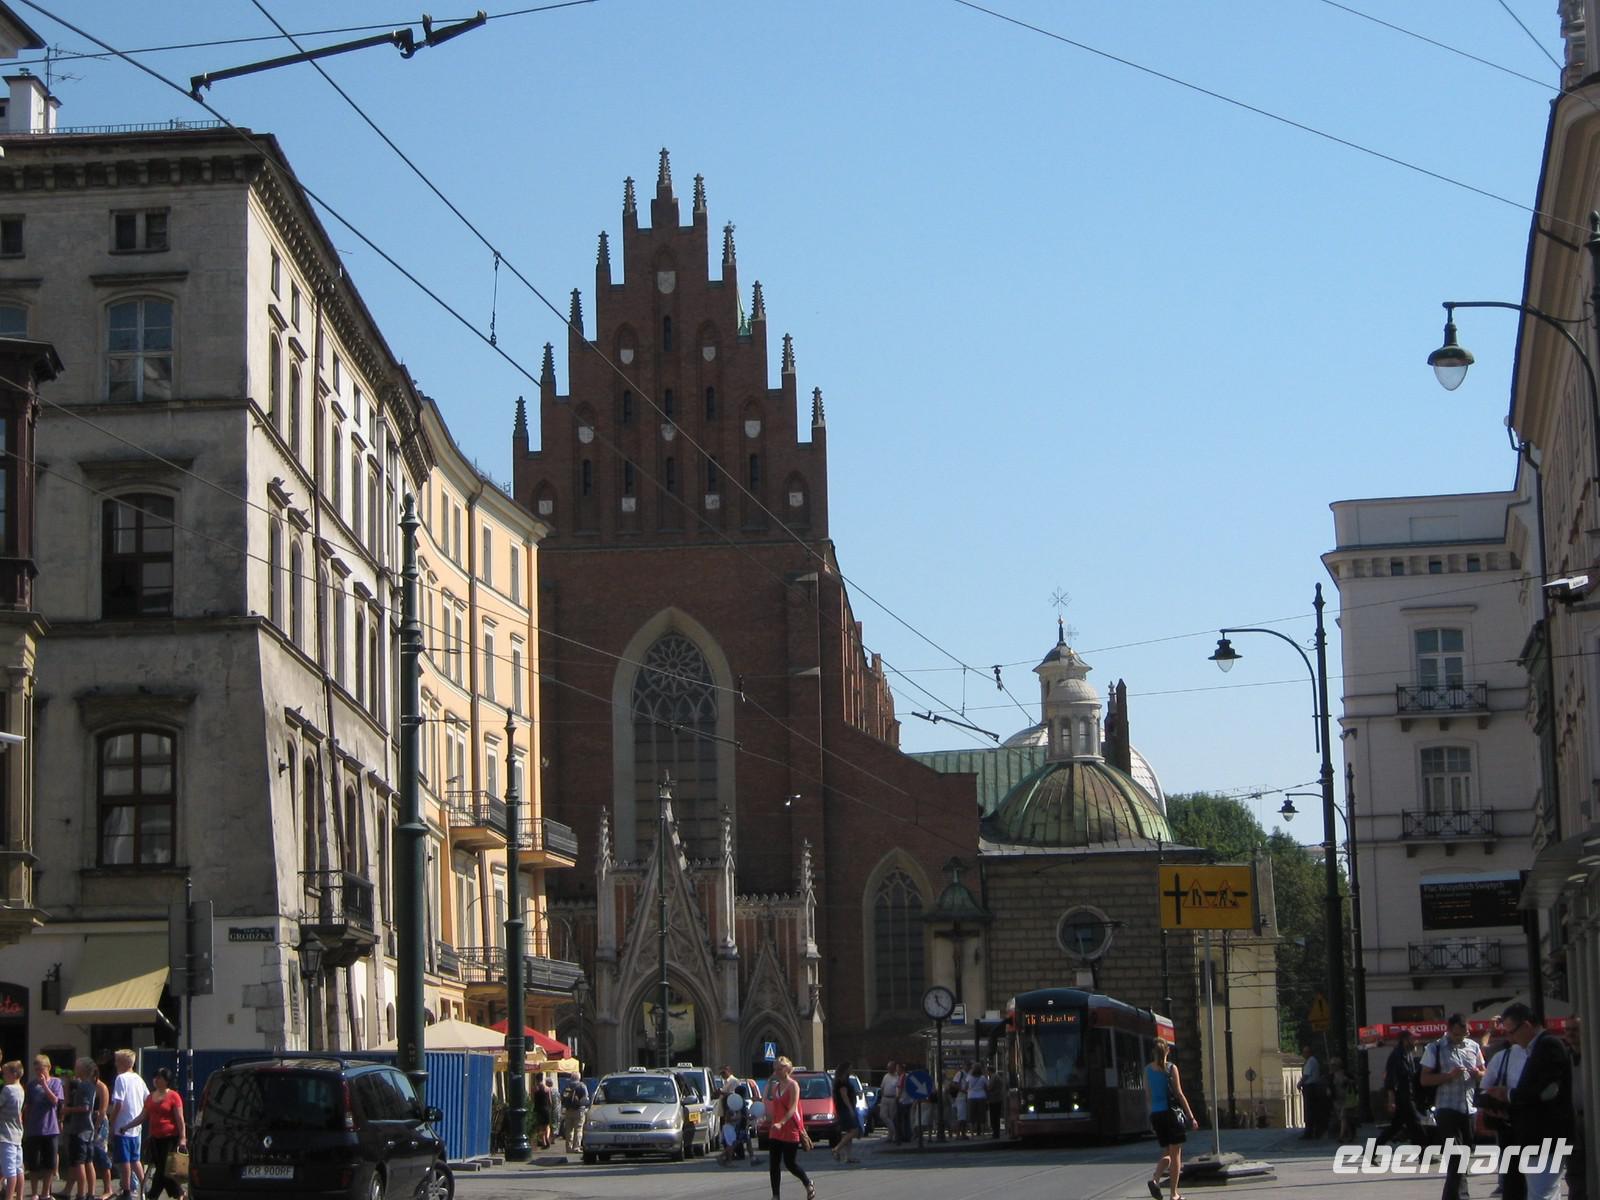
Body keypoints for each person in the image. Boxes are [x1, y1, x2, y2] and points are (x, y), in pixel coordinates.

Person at [1485, 1003, 1573, 1200]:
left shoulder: (1548, 1046)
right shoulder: (1536, 1048)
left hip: (1545, 1136)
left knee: (1541, 1194)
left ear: (1526, 1026)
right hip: (1537, 1136)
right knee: (1544, 1192)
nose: (1510, 1038)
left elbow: (1544, 1091)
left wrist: (1508, 1095)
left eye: (1512, 1032)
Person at [1419, 1013, 1485, 1200]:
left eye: (1463, 1035)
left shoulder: (1473, 1047)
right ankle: (1462, 1196)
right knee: (1456, 1157)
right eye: (1456, 1035)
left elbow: (1484, 1071)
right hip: (1447, 1108)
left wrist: (1478, 1074)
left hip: (1469, 1109)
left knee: (1463, 1157)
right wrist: (1449, 1076)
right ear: (1448, 1030)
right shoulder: (1435, 1048)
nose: (1460, 1039)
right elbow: (1424, 1079)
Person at [122, 1068, 185, 1200]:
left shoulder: (173, 1096)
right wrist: (127, 1126)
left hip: (170, 1138)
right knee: (163, 1170)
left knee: (163, 1170)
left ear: (166, 1080)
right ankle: (180, 1194)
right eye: (155, 1077)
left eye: (159, 1078)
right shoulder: (150, 1097)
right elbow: (142, 1116)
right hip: (155, 1139)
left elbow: (180, 1119)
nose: (156, 1080)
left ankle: (152, 1196)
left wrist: (183, 1137)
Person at [1146, 1039, 1196, 1200]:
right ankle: (1174, 1194)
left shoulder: (1147, 1070)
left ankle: (1155, 1179)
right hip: (1171, 1115)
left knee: (1167, 1152)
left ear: (1153, 1051)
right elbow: (1179, 1094)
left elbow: (1148, 1097)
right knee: (1176, 1156)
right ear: (1167, 1051)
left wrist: (1150, 1118)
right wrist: (1191, 1116)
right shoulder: (1171, 1068)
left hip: (1156, 1115)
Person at [765, 1056, 814, 1200]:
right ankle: (775, 1196)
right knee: (774, 1165)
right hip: (776, 1130)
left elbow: (793, 1108)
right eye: (775, 1069)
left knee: (790, 1163)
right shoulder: (775, 1087)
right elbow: (774, 1107)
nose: (776, 1072)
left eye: (779, 1069)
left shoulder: (793, 1085)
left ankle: (807, 1182)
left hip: (790, 1129)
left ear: (787, 1069)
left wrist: (782, 1122)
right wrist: (771, 1119)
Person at [106, 1049, 148, 1200]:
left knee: (124, 1160)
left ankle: (127, 1190)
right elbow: (147, 1099)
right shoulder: (138, 1079)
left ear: (123, 1063)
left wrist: (112, 1122)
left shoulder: (120, 1079)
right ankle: (143, 1187)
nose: (115, 1064)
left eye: (117, 1061)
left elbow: (119, 1103)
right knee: (135, 1159)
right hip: (136, 1126)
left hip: (122, 1125)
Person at [1374, 1030, 1425, 1151]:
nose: (1415, 1042)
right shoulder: (1397, 1055)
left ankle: (1371, 1152)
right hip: (1402, 1097)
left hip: (1407, 1095)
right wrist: (1391, 1100)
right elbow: (1391, 1079)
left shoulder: (1407, 1054)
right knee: (1416, 1125)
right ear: (1405, 1040)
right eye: (1413, 1039)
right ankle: (1424, 1153)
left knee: (1396, 1127)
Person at [19, 1056, 61, 1200]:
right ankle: (35, 1192)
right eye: (35, 1069)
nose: (38, 1071)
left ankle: (46, 1193)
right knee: (34, 1163)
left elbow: (55, 1101)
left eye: (40, 1068)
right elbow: (28, 1105)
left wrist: (45, 1085)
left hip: (51, 1128)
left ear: (48, 1067)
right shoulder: (31, 1085)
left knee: (50, 1164)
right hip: (34, 1129)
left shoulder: (56, 1082)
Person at [62, 1059, 104, 1200]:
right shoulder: (90, 1085)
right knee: (88, 1161)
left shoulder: (84, 1086)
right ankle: (90, 1193)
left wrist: (68, 1109)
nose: (75, 1068)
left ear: (82, 1069)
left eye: (77, 1066)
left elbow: (85, 1108)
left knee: (79, 1162)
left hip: (80, 1129)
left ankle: (81, 1194)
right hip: (88, 1130)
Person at [0, 1062, 23, 1200]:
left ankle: (8, 1197)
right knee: (18, 1168)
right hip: (17, 1135)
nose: (3, 1075)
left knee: (10, 1171)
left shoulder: (8, 1089)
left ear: (14, 1074)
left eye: (5, 1072)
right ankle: (19, 1196)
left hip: (6, 1134)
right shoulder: (20, 1089)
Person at [830, 1063, 860, 1164]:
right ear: (845, 1069)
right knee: (854, 1131)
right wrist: (851, 1109)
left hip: (843, 1109)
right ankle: (837, 1149)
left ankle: (848, 1156)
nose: (851, 1070)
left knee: (848, 1132)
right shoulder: (842, 1082)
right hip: (845, 1110)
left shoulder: (842, 1081)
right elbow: (844, 1096)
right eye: (850, 1068)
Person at [1298, 1044, 1326, 1139]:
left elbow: (1306, 1075)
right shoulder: (1314, 1061)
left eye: (1305, 1052)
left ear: (1309, 1053)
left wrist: (1299, 1083)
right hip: (1314, 1087)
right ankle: (1315, 1131)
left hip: (1310, 1088)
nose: (1303, 1054)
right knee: (1314, 1110)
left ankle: (1309, 1132)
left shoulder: (1310, 1061)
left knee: (1309, 1110)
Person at [560, 1075, 588, 1152]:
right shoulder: (582, 1086)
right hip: (579, 1110)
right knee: (578, 1129)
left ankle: (568, 1147)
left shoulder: (567, 1086)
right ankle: (576, 1147)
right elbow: (585, 1098)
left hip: (568, 1110)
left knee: (568, 1130)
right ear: (578, 1078)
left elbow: (562, 1097)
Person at [530, 1075, 554, 1150]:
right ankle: (547, 1138)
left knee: (540, 1126)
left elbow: (533, 1100)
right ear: (542, 1079)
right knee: (547, 1125)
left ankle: (543, 1142)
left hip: (538, 1109)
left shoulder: (535, 1089)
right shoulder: (547, 1089)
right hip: (546, 1109)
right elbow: (550, 1101)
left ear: (536, 1080)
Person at [878, 1062, 900, 1144]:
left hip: (893, 1098)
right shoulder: (886, 1076)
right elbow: (882, 1087)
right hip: (885, 1098)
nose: (888, 1069)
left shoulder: (897, 1077)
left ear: (894, 1068)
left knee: (892, 1117)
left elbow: (898, 1088)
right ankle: (894, 1132)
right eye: (888, 1068)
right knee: (883, 1115)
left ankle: (891, 1136)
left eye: (890, 1067)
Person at [966, 1063, 989, 1141]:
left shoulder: (969, 1077)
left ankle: (972, 1135)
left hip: (971, 1097)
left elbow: (966, 1087)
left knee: (971, 1116)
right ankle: (982, 1134)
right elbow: (987, 1087)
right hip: (981, 1097)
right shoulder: (983, 1077)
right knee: (982, 1115)